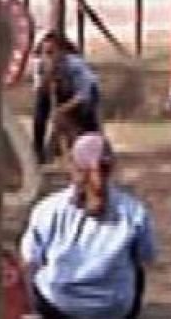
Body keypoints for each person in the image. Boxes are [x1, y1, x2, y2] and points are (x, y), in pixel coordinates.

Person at [20, 133, 156, 319]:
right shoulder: (133, 211)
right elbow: (146, 256)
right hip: (113, 309)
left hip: (58, 306)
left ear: (73, 167)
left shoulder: (47, 210)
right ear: (111, 167)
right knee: (135, 269)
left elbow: (30, 260)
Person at [33, 30, 102, 164]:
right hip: (58, 91)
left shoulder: (75, 65)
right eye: (44, 52)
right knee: (40, 112)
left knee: (85, 122)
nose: (47, 56)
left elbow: (84, 94)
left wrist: (63, 109)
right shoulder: (40, 65)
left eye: (51, 52)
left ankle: (94, 150)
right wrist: (48, 77)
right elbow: (39, 89)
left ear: (61, 51)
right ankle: (38, 152)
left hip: (81, 97)